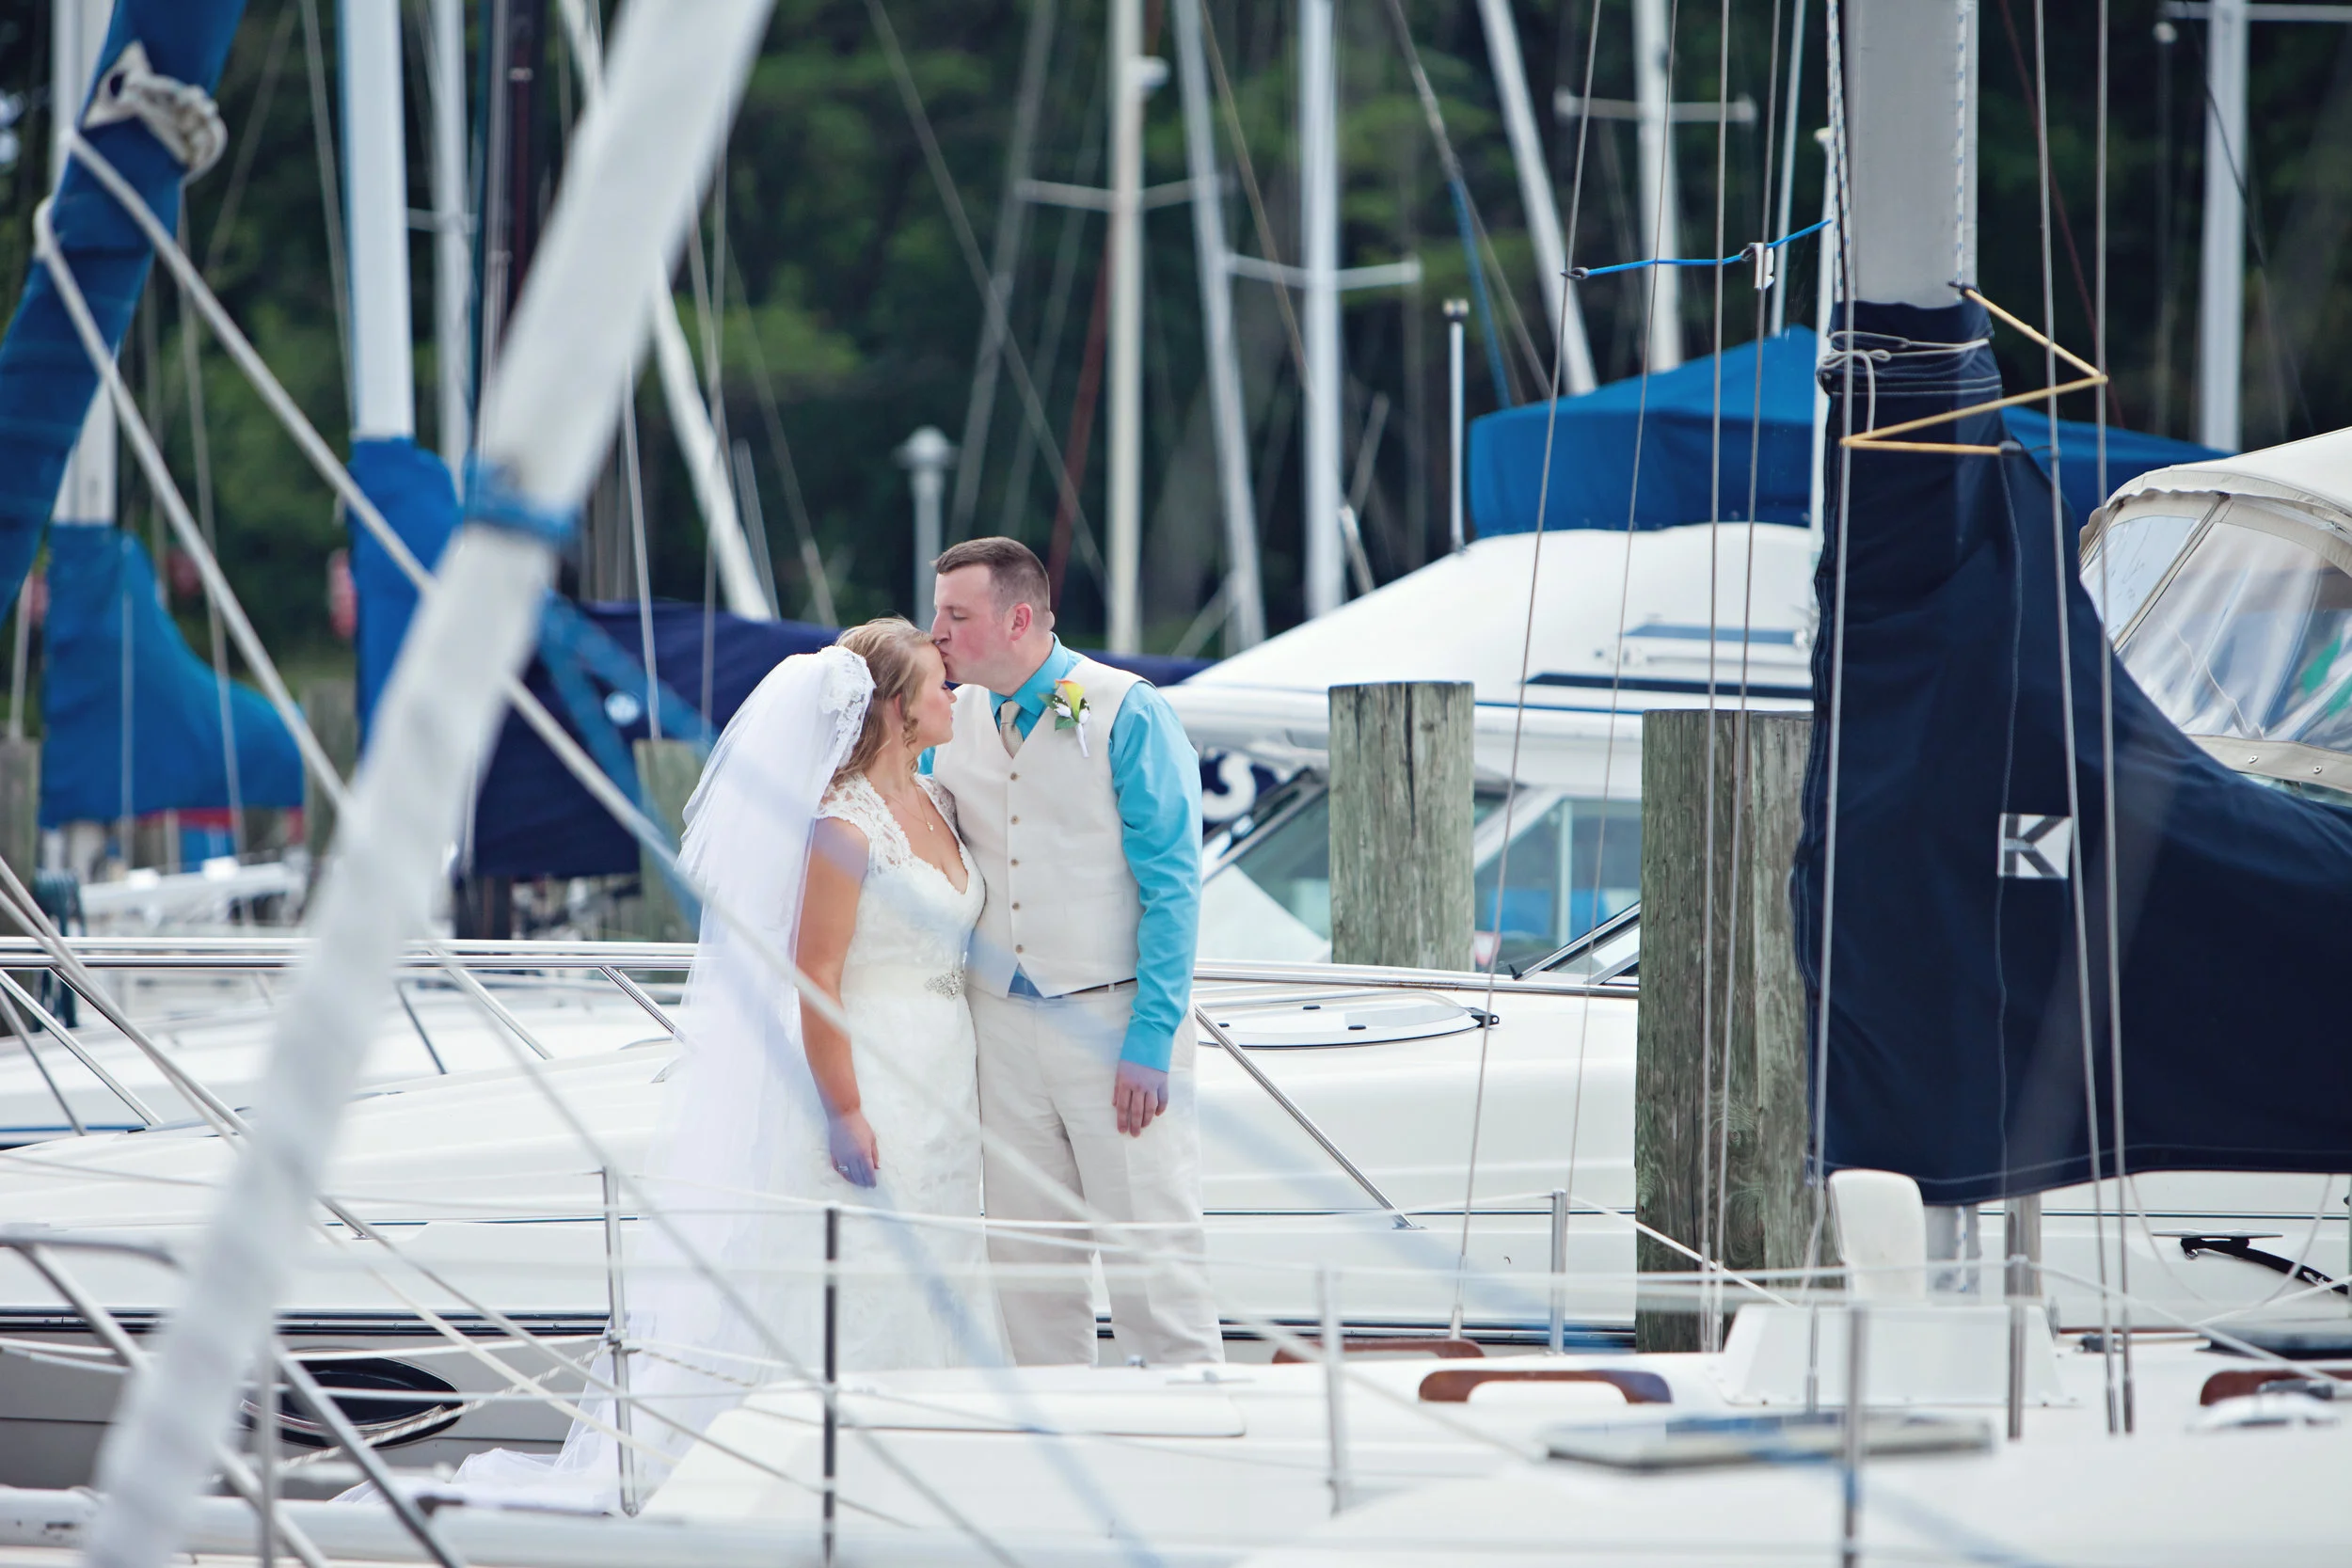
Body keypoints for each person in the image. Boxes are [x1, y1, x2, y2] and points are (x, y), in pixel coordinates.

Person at [443, 618, 1003, 1510]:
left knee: (940, 1262)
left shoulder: (938, 797)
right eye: (940, 684)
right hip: (874, 1069)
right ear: (898, 709)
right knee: (864, 1269)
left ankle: (935, 1469)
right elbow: (815, 975)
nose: (954, 695)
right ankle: (829, 1481)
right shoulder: (843, 826)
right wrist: (844, 1109)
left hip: (947, 1069)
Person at [928, 537, 1222, 1367]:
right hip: (999, 1026)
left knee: (1152, 1247)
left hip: (1115, 1017)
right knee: (1027, 1262)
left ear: (1018, 619)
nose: (937, 631)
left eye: (956, 615)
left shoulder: (1129, 711)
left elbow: (1173, 885)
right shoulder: (949, 720)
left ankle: (1193, 1419)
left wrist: (1152, 1036)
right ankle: (1051, 1425)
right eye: (938, 612)